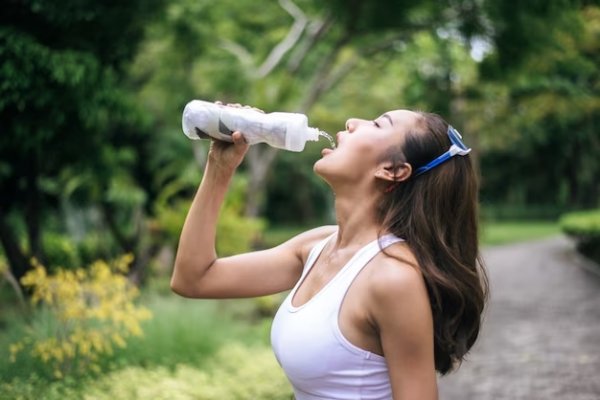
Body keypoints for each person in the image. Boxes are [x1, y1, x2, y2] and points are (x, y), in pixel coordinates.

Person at [171, 107, 489, 400]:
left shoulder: (392, 278)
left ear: (392, 170)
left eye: (378, 123)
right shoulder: (317, 246)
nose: (352, 122)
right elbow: (194, 278)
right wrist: (219, 167)